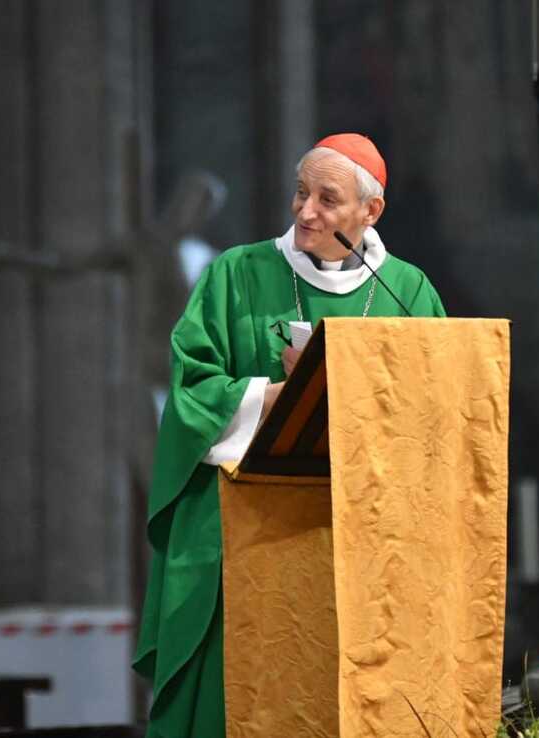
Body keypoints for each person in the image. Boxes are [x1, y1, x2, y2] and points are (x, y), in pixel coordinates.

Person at [132, 133, 446, 738]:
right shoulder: (236, 275)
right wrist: (282, 399)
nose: (306, 212)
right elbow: (193, 391)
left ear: (369, 211)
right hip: (251, 535)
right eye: (301, 193)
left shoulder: (408, 293)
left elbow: (435, 415)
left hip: (365, 546)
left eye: (328, 199)